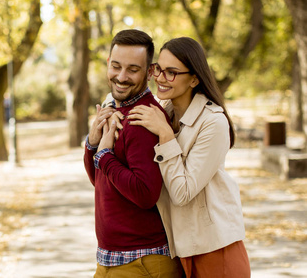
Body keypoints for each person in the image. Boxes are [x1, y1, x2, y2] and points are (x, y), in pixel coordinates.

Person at [103, 36, 251, 277]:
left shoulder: (213, 122)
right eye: (159, 69)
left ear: (194, 78)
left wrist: (165, 134)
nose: (161, 78)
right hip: (180, 251)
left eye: (171, 72)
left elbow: (182, 192)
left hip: (215, 249)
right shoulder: (162, 111)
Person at [83, 29, 183, 278]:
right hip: (115, 259)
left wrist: (104, 156)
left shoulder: (142, 118)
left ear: (150, 72)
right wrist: (93, 145)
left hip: (141, 262)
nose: (121, 76)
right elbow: (101, 181)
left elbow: (145, 193)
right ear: (108, 63)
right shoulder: (117, 110)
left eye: (133, 69)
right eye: (116, 66)